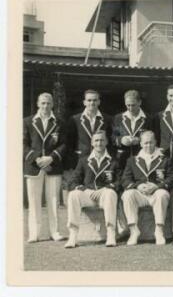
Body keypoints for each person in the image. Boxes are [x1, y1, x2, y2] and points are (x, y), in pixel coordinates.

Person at [64, 130, 120, 248]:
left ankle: (111, 234)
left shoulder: (114, 160)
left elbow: (120, 181)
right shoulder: (84, 160)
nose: (99, 143)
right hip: (88, 195)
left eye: (102, 140)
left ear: (107, 142)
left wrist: (106, 188)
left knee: (110, 193)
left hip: (104, 196)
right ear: (92, 143)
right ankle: (73, 236)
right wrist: (85, 190)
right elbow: (72, 181)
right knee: (73, 195)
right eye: (96, 140)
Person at [121, 130, 173, 245]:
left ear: (155, 142)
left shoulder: (165, 159)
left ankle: (159, 231)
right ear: (140, 144)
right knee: (127, 194)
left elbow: (172, 179)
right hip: (140, 194)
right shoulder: (132, 160)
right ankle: (133, 231)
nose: (148, 145)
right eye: (145, 143)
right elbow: (125, 180)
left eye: (151, 142)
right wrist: (138, 186)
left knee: (162, 193)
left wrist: (157, 186)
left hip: (156, 194)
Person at [23, 92, 65, 242]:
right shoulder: (27, 121)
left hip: (53, 166)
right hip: (33, 167)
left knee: (53, 200)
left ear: (52, 104)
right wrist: (37, 159)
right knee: (34, 201)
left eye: (48, 103)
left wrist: (51, 158)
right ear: (37, 104)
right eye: (43, 103)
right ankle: (34, 233)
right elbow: (23, 144)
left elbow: (64, 144)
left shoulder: (59, 122)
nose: (46, 106)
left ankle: (55, 232)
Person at [67, 90, 113, 166]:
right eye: (89, 100)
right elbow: (70, 142)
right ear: (84, 102)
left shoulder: (107, 119)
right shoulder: (75, 119)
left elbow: (111, 141)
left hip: (102, 161)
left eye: (95, 100)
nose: (92, 103)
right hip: (80, 160)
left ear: (99, 102)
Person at [112, 90, 152, 170]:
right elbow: (114, 137)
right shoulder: (118, 118)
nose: (130, 108)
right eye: (128, 105)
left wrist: (140, 140)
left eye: (133, 105)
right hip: (123, 160)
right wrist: (121, 140)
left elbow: (154, 138)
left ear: (140, 102)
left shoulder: (148, 119)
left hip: (142, 159)